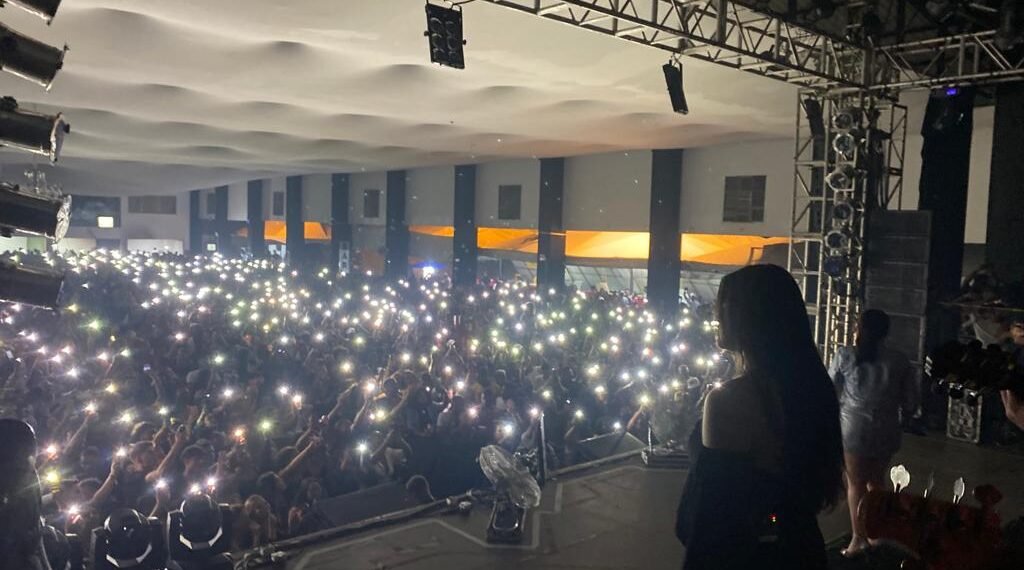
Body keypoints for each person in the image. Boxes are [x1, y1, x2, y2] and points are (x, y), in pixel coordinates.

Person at [676, 264, 844, 570]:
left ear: (751, 316)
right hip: (800, 544)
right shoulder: (814, 388)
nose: (714, 315)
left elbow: (713, 519)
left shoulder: (730, 399)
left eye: (723, 304)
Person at [828, 309, 916, 557]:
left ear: (858, 328)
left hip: (853, 428)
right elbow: (910, 400)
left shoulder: (846, 355)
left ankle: (858, 539)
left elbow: (829, 388)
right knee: (877, 483)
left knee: (855, 484)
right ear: (885, 332)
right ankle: (877, 534)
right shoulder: (899, 359)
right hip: (887, 429)